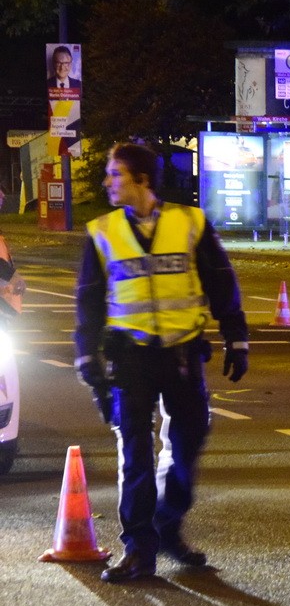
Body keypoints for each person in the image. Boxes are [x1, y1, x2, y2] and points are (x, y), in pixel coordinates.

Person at [74, 143, 249, 583]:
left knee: (188, 443)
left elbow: (219, 278)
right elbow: (89, 300)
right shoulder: (102, 231)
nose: (107, 182)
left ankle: (166, 524)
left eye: (115, 175)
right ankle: (139, 549)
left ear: (142, 180)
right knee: (134, 450)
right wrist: (85, 353)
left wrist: (237, 337)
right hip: (129, 356)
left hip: (182, 354)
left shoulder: (189, 223)